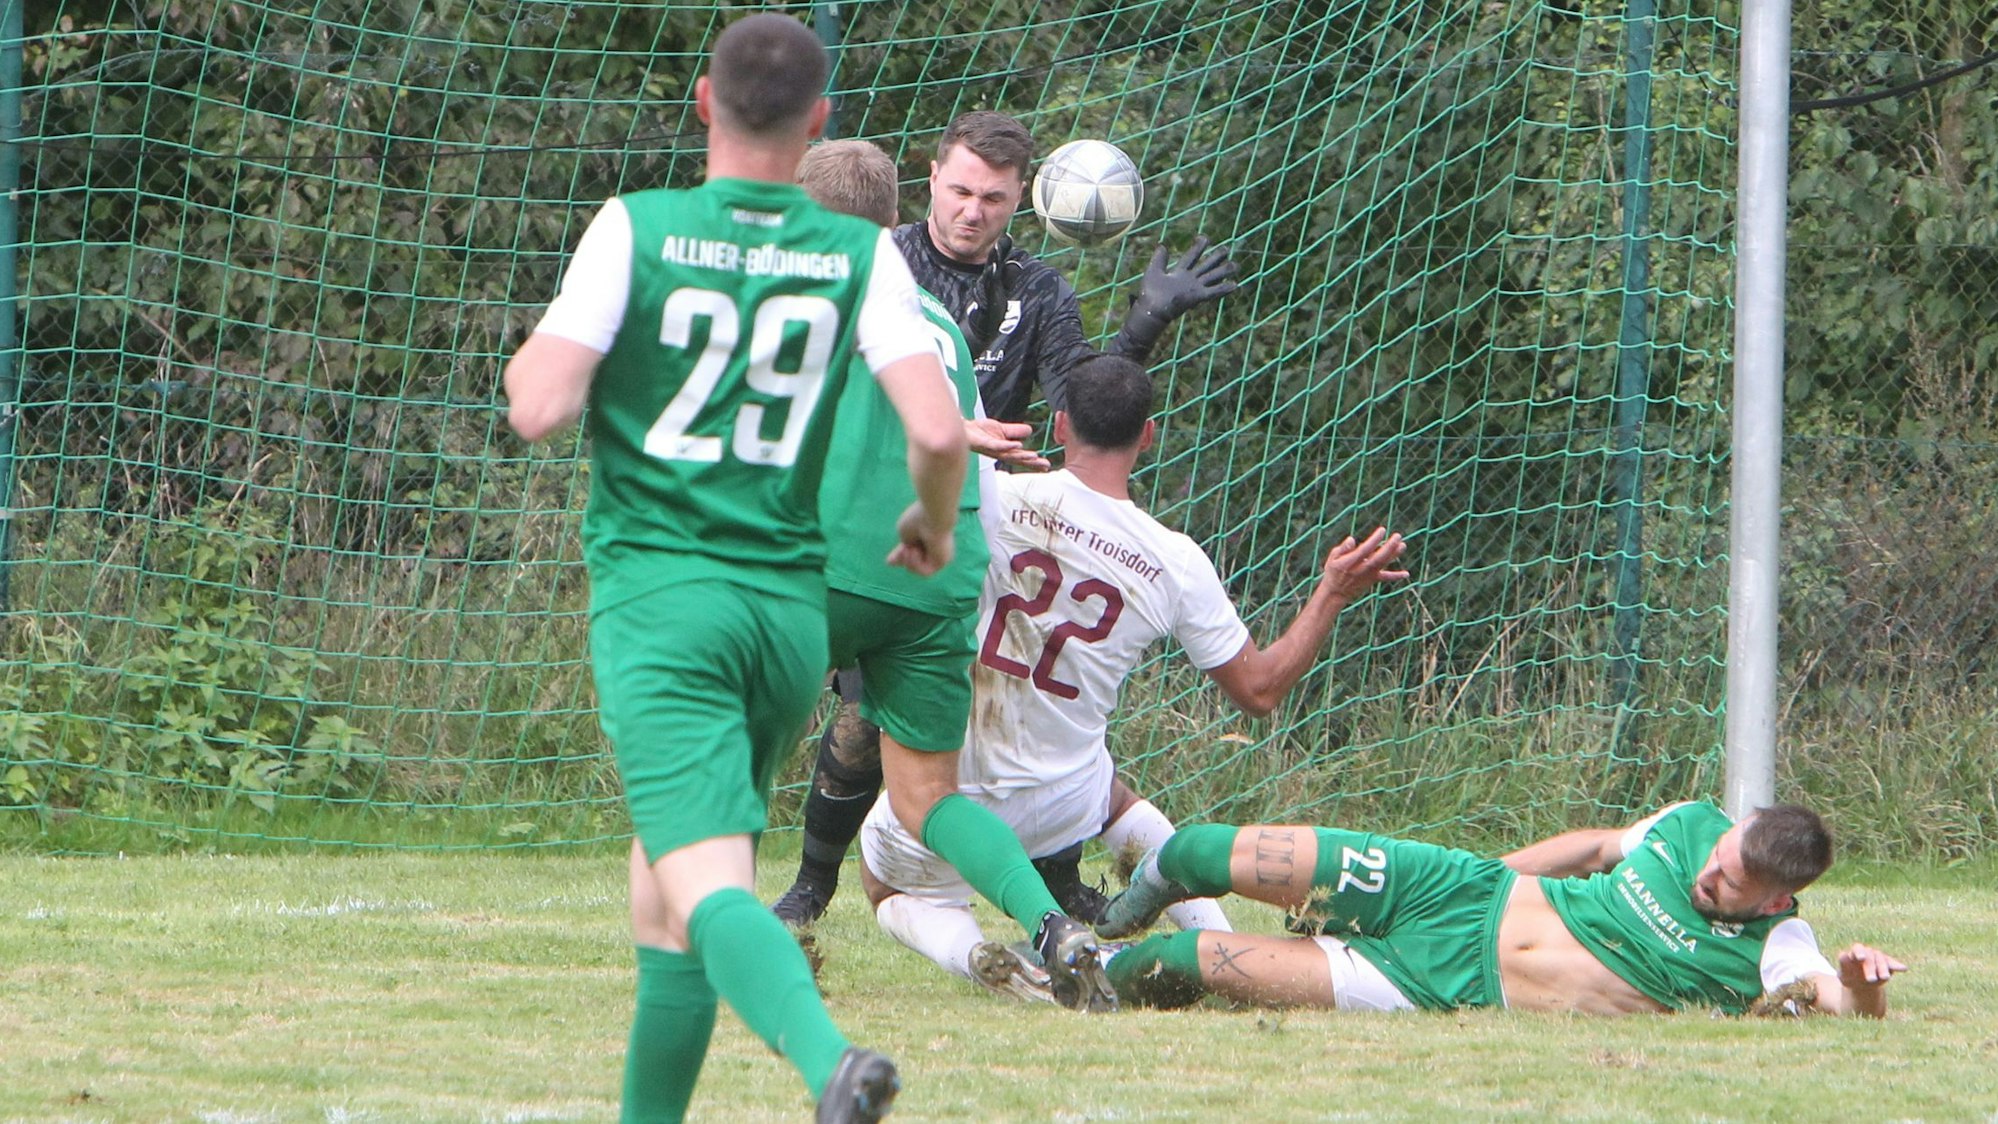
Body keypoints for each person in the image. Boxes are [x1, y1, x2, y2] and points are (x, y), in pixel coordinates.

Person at [501, 15, 965, 1122]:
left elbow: (539, 407)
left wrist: (548, 355)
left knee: (705, 886)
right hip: (786, 621)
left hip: (669, 606)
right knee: (666, 903)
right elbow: (940, 436)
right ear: (819, 120)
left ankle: (830, 1062)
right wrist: (933, 528)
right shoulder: (862, 253)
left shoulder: (637, 228)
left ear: (704, 103)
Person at [775, 110, 1242, 930]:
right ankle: (812, 885)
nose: (972, 209)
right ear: (928, 181)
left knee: (1027, 707)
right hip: (887, 510)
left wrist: (1144, 323)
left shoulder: (1040, 289)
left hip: (996, 519)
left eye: (992, 197)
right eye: (959, 190)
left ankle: (1055, 887)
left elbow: (1079, 408)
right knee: (862, 718)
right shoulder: (882, 260)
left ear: (1020, 199)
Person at [853, 355, 1411, 1000]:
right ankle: (1223, 947)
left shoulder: (993, 496)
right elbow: (1261, 691)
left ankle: (988, 956)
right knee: (1116, 796)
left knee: (884, 885)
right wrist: (1332, 593)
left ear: (1059, 426)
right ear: (1148, 435)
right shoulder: (1175, 560)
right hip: (1064, 804)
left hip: (955, 789)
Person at [796, 138, 1114, 1013]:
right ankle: (1054, 929)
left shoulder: (807, 285)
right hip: (943, 574)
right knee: (929, 793)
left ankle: (705, 934)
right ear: (907, 202)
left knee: (702, 719)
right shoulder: (933, 320)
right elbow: (948, 424)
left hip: (836, 559)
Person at [1097, 801, 1908, 1018]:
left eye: (1729, 886)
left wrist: (1861, 979)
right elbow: (1596, 848)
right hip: (1458, 889)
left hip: (1441, 983)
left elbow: (1839, 1002)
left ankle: (1081, 968)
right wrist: (1473, 875)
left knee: (1182, 965)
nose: (1708, 876)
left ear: (1777, 898)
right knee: (1205, 850)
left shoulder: (1780, 943)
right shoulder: (1691, 824)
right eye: (1718, 857)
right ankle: (1110, 916)